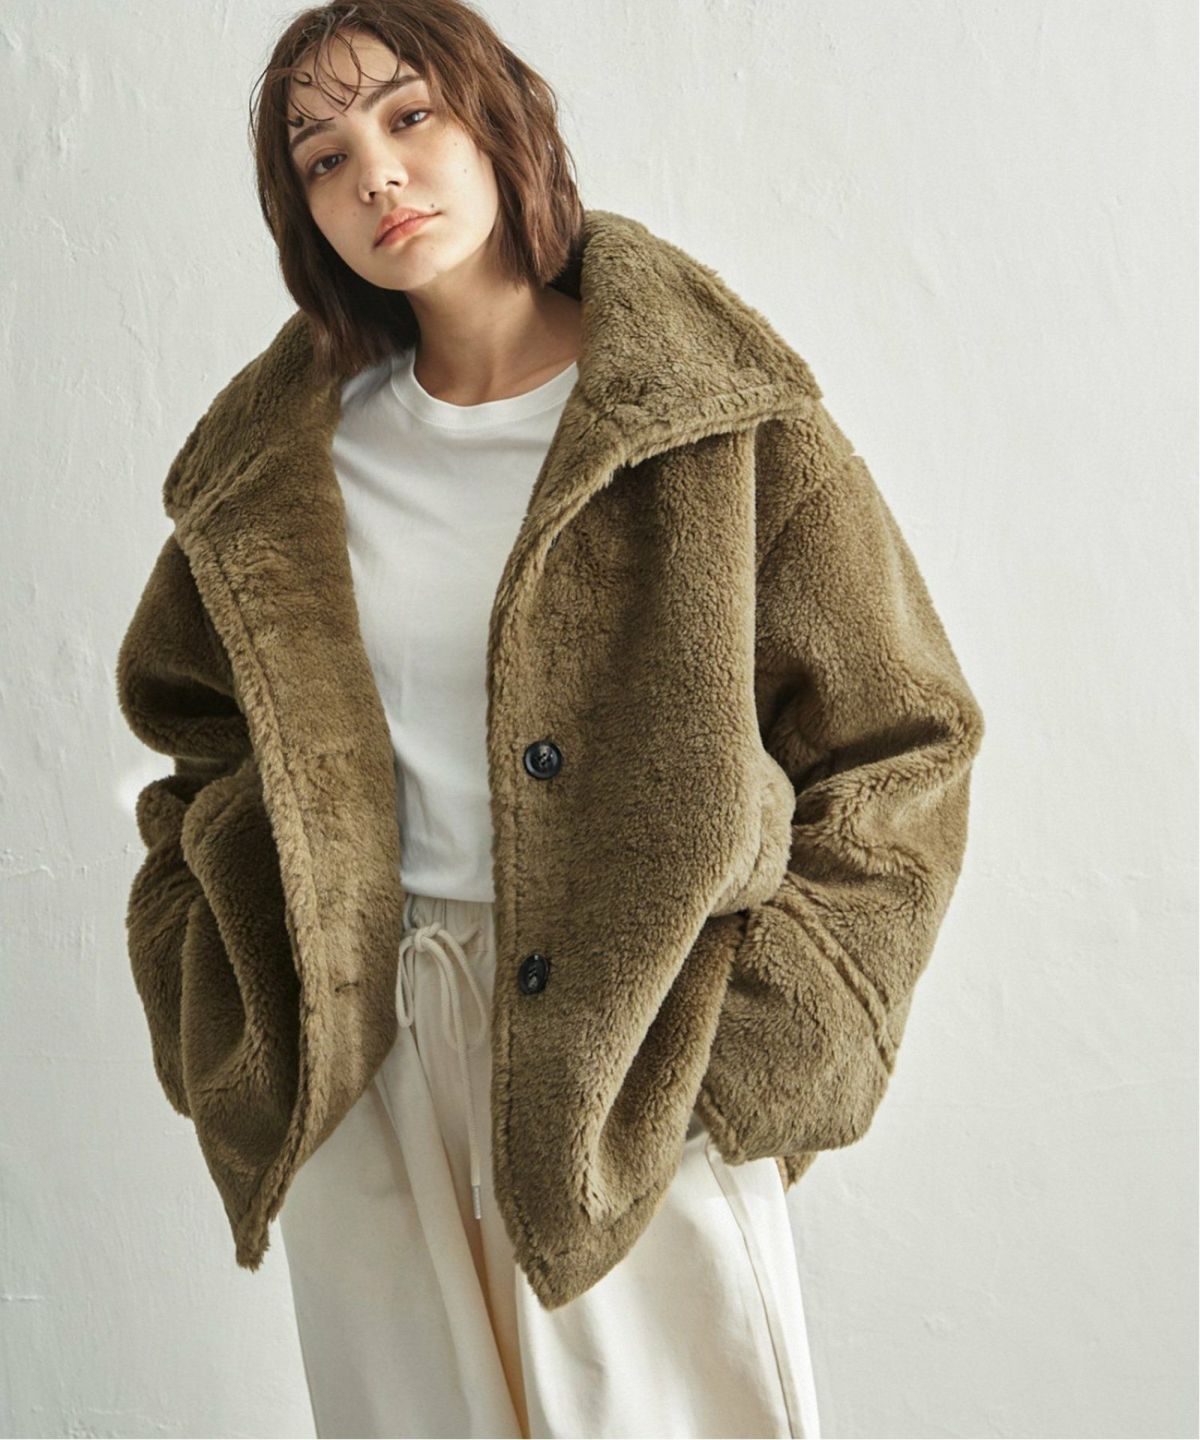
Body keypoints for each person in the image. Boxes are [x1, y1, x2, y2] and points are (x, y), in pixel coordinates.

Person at [114, 2, 985, 1436]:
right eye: (323, 158)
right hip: (366, 1051)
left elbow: (902, 740)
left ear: (498, 118)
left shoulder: (717, 419)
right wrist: (216, 986)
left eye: (409, 116)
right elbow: (201, 743)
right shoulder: (281, 469)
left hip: (635, 1057)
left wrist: (761, 1043)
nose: (376, 175)